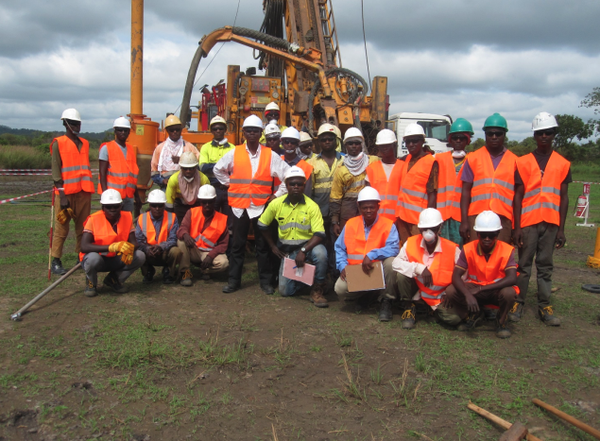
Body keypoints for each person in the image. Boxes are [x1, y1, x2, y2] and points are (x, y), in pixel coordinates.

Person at [213, 114, 290, 294]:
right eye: (249, 131)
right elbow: (218, 169)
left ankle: (265, 282)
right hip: (239, 206)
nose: (252, 134)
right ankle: (234, 281)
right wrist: (230, 184)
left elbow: (288, 174)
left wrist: (277, 194)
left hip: (261, 206)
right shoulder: (235, 152)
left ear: (260, 133)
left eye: (256, 131)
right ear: (244, 133)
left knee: (262, 246)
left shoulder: (270, 155)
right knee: (237, 245)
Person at [510, 112, 571, 326]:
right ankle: (518, 302)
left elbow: (564, 198)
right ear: (535, 135)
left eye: (549, 132)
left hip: (551, 223)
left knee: (545, 265)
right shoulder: (523, 162)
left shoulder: (563, 164)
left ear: (554, 134)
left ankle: (544, 305)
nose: (544, 136)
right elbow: (517, 196)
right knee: (524, 265)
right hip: (528, 223)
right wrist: (516, 226)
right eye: (540, 133)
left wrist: (561, 229)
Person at [258, 166, 328, 306]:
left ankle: (318, 289)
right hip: (288, 252)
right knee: (285, 291)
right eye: (292, 184)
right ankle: (308, 282)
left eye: (299, 184)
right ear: (286, 185)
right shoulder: (276, 204)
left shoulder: (312, 206)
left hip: (309, 248)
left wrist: (303, 251)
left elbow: (320, 234)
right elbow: (262, 224)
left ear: (304, 185)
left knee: (321, 254)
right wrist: (272, 246)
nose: (296, 187)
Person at [447, 211, 518, 339]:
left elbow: (512, 278)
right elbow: (456, 276)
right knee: (451, 290)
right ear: (477, 234)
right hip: (475, 290)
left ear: (497, 234)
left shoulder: (506, 250)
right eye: (483, 235)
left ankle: (501, 321)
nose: (487, 239)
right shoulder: (468, 249)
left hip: (495, 290)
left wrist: (481, 289)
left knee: (509, 293)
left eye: (491, 235)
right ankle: (472, 314)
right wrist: (468, 294)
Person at [334, 187, 400, 316]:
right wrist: (342, 266)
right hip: (356, 271)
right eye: (365, 208)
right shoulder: (351, 224)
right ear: (359, 207)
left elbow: (394, 248)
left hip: (377, 270)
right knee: (339, 289)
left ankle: (386, 300)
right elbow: (339, 247)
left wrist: (372, 254)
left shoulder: (388, 225)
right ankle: (369, 294)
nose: (368, 210)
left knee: (392, 263)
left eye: (372, 207)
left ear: (378, 206)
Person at [392, 208, 462, 327]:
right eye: (425, 229)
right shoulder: (411, 242)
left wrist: (453, 289)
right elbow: (396, 263)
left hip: (440, 296)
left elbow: (464, 274)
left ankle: (429, 309)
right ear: (419, 229)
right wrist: (419, 268)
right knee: (401, 275)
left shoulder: (452, 249)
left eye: (433, 229)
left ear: (440, 228)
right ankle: (409, 307)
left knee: (454, 319)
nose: (428, 233)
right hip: (416, 289)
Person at [459, 113, 517, 244]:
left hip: (504, 218)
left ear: (504, 135)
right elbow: (465, 192)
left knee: (501, 257)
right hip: (476, 217)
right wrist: (464, 221)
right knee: (475, 257)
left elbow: (518, 196)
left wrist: (515, 226)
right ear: (485, 135)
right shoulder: (473, 158)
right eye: (490, 134)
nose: (494, 137)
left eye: (498, 134)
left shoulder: (515, 161)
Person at [49, 108, 94, 275]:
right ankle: (56, 260)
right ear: (65, 124)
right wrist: (62, 195)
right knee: (61, 228)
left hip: (84, 192)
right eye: (73, 124)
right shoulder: (58, 143)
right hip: (66, 194)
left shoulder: (85, 143)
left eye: (78, 123)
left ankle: (80, 256)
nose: (76, 127)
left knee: (83, 228)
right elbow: (56, 171)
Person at [80, 189, 146, 296]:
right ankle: (91, 282)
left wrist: (129, 248)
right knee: (92, 258)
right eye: (108, 207)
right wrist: (111, 247)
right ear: (103, 208)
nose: (112, 209)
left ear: (121, 206)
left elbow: (135, 243)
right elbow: (84, 246)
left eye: (116, 206)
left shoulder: (127, 217)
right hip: (99, 258)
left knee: (140, 256)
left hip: (117, 258)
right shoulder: (93, 219)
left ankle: (114, 279)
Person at [308, 124, 345, 274]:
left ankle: (336, 273)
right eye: (324, 139)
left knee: (338, 243)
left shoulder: (345, 160)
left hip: (339, 211)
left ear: (336, 141)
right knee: (321, 242)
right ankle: (321, 274)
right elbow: (309, 190)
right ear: (319, 142)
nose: (327, 142)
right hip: (319, 211)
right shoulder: (311, 162)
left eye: (330, 139)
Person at [176, 185, 229, 286]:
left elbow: (223, 244)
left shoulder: (222, 219)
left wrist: (211, 256)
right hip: (193, 250)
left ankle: (205, 270)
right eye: (204, 202)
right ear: (200, 201)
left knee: (224, 264)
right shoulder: (191, 212)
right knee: (181, 241)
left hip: (208, 252)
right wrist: (185, 234)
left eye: (210, 202)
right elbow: (181, 229)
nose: (207, 205)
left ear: (215, 200)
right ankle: (185, 272)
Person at [330, 127, 378, 237]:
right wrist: (335, 221)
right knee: (348, 239)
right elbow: (335, 197)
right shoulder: (341, 168)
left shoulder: (373, 161)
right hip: (348, 211)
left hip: (368, 209)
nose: (354, 146)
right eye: (350, 143)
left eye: (357, 143)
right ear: (345, 145)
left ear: (361, 144)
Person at [396, 123, 438, 244]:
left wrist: (429, 220)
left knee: (419, 250)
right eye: (407, 141)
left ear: (422, 141)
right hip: (402, 216)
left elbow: (432, 194)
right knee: (405, 250)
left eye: (414, 141)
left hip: (418, 220)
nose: (410, 145)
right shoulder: (406, 159)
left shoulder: (431, 162)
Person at [436, 118, 474, 246]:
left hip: (462, 217)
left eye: (462, 138)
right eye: (455, 138)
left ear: (468, 140)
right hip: (443, 217)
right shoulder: (440, 159)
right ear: (450, 139)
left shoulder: (473, 160)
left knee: (460, 254)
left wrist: (466, 221)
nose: (458, 141)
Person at [135, 189, 181, 284]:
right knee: (138, 251)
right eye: (154, 205)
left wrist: (161, 247)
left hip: (165, 251)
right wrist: (147, 249)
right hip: (148, 252)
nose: (157, 208)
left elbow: (173, 239)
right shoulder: (142, 218)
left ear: (164, 205)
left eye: (160, 205)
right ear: (149, 205)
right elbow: (139, 241)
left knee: (176, 251)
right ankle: (148, 271)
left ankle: (169, 272)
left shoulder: (172, 217)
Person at [198, 115, 235, 231]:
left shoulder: (233, 148)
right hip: (212, 188)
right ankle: (210, 244)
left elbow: (235, 168)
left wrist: (213, 165)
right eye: (215, 129)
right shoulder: (205, 148)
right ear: (211, 131)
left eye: (220, 128)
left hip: (229, 188)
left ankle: (228, 247)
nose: (218, 131)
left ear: (225, 130)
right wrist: (224, 166)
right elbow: (203, 167)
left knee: (230, 221)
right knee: (210, 219)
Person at [98, 117, 142, 213]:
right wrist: (106, 195)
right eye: (120, 130)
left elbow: (132, 177)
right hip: (112, 197)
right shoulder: (106, 148)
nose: (122, 132)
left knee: (126, 224)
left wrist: (137, 196)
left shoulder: (130, 150)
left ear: (129, 132)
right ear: (115, 131)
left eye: (125, 130)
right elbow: (102, 173)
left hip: (128, 197)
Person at [151, 115, 200, 190]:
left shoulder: (189, 147)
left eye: (177, 129)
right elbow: (154, 171)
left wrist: (182, 160)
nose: (175, 132)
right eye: (172, 130)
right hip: (166, 185)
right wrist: (162, 181)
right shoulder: (160, 148)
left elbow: (198, 166)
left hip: (186, 184)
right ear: (167, 130)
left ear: (181, 130)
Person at [366, 129, 403, 221]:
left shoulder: (404, 167)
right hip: (377, 219)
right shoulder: (372, 168)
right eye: (382, 146)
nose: (384, 149)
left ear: (394, 145)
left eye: (387, 146)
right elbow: (368, 196)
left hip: (399, 219)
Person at [165, 151, 210, 224]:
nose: (188, 171)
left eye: (191, 168)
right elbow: (169, 202)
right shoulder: (174, 180)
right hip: (180, 206)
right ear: (181, 167)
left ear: (196, 167)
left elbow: (208, 201)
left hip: (197, 207)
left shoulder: (203, 179)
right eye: (185, 168)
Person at [277, 127, 313, 196]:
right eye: (286, 142)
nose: (289, 144)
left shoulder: (306, 167)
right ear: (282, 143)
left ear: (297, 144)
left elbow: (307, 194)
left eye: (293, 142)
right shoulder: (276, 162)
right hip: (277, 204)